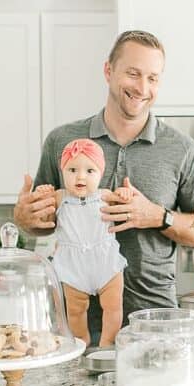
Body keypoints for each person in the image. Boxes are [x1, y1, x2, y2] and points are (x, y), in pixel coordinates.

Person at [13, 30, 194, 339]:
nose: (143, 88)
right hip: (76, 321)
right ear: (108, 71)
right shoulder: (62, 141)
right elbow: (43, 221)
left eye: (153, 78)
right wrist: (26, 219)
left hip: (154, 319)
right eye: (133, 73)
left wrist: (158, 216)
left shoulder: (181, 149)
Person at [35, 139, 130, 347]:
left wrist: (124, 195)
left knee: (114, 306)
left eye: (89, 171)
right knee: (75, 310)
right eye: (72, 170)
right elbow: (42, 219)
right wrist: (41, 195)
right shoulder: (59, 197)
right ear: (63, 172)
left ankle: (107, 344)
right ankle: (81, 342)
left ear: (100, 174)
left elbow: (126, 207)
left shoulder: (105, 195)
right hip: (73, 264)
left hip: (105, 261)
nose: (80, 176)